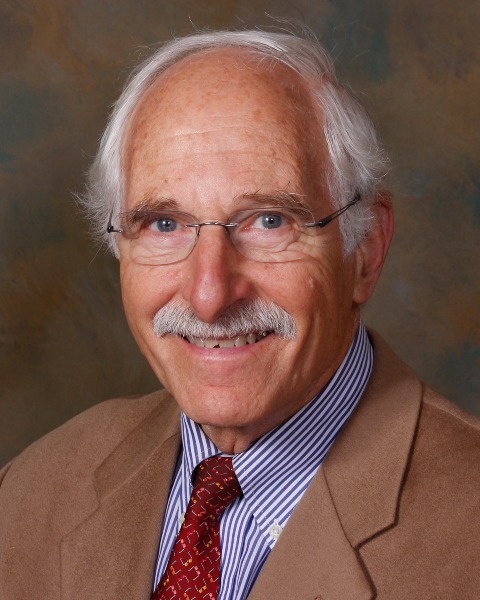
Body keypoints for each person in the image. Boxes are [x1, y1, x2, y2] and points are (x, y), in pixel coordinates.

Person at [0, 29, 478, 600]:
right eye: (164, 224)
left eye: (269, 220)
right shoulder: (29, 493)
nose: (209, 294)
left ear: (366, 250)